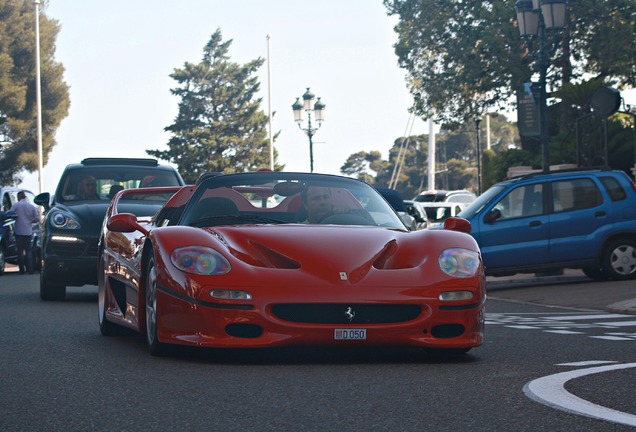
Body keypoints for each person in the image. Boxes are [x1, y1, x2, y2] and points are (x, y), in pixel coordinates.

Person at [9, 191, 40, 274]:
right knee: (28, 251)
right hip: (28, 231)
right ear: (25, 197)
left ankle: (21, 270)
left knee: (20, 251)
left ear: (19, 197)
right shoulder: (31, 206)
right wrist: (31, 221)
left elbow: (10, 214)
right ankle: (30, 269)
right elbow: (37, 219)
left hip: (18, 231)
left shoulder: (16, 205)